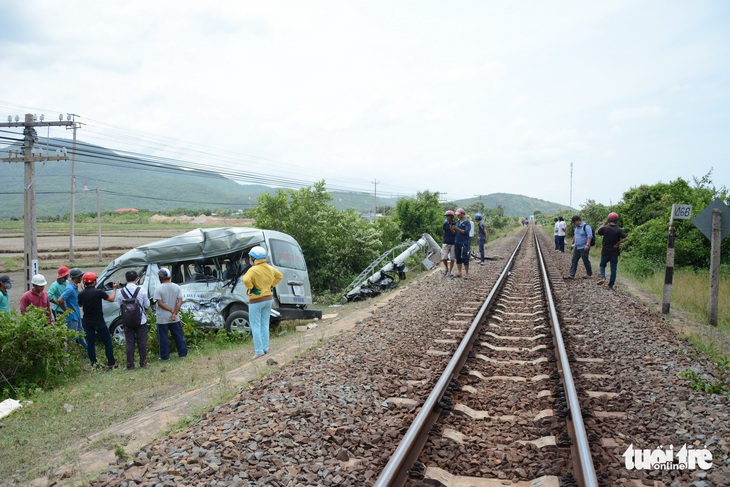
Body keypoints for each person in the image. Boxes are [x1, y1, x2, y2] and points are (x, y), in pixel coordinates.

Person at [242, 246, 283, 360]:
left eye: (250, 257)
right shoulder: (270, 268)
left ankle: (259, 351)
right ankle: (265, 348)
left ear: (253, 258)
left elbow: (245, 280)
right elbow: (280, 276)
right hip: (268, 299)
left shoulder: (253, 270)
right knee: (265, 324)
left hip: (256, 300)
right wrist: (271, 285)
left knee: (255, 325)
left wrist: (252, 288)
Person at [78, 272, 119, 369]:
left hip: (87, 322)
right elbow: (112, 299)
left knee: (90, 343)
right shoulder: (98, 292)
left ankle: (94, 364)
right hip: (99, 321)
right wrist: (114, 289)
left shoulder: (81, 294)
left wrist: (84, 293)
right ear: (94, 281)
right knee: (107, 341)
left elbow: (80, 305)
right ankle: (111, 363)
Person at [116, 270, 151, 370]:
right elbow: (147, 305)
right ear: (136, 279)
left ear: (126, 279)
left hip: (127, 321)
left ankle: (130, 364)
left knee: (129, 343)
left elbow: (120, 304)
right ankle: (143, 362)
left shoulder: (121, 292)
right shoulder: (142, 290)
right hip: (141, 320)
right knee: (142, 342)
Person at [153, 268, 188, 361]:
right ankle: (183, 353)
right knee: (178, 335)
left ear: (161, 277)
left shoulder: (158, 288)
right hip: (175, 317)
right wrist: (175, 312)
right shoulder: (176, 287)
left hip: (162, 318)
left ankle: (165, 356)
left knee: (163, 338)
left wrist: (170, 310)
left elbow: (159, 302)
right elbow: (180, 301)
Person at [58, 268, 89, 354]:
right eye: (80, 277)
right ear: (76, 278)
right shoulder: (70, 289)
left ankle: (87, 350)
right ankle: (67, 358)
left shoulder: (74, 287)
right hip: (72, 318)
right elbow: (60, 300)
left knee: (80, 335)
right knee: (71, 339)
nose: (82, 278)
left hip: (77, 316)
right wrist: (65, 310)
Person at [596, 212, 629, 290]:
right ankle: (610, 285)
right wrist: (618, 243)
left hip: (605, 251)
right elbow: (627, 238)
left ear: (608, 219)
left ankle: (603, 278)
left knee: (602, 265)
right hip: (614, 252)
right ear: (617, 220)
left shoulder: (605, 228)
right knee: (613, 269)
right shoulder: (619, 230)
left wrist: (604, 223)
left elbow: (597, 232)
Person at [452, 208, 472, 279]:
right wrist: (453, 229)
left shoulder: (467, 222)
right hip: (457, 242)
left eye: (459, 214)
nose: (457, 216)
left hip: (464, 242)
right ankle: (459, 272)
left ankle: (466, 273)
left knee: (465, 257)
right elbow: (454, 233)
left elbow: (466, 232)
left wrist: (457, 228)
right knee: (458, 257)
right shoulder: (457, 222)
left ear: (462, 214)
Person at [441, 210, 457, 276]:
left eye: (448, 216)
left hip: (453, 242)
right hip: (446, 242)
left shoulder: (456, 223)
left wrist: (452, 229)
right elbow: (444, 230)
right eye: (446, 216)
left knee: (452, 258)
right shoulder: (445, 223)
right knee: (444, 257)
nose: (447, 217)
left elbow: (455, 233)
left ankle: (450, 271)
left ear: (451, 216)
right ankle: (446, 268)